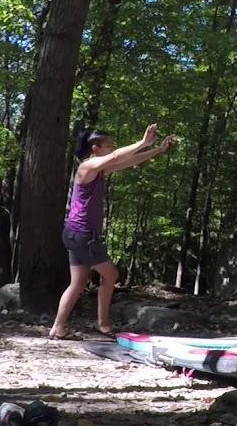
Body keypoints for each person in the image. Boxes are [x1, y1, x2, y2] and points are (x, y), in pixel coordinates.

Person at [48, 124, 174, 340]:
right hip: (83, 235)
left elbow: (129, 160)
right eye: (108, 145)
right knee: (111, 274)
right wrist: (143, 142)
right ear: (96, 149)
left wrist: (158, 150)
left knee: (77, 283)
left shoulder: (97, 170)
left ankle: (58, 328)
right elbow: (116, 157)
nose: (112, 148)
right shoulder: (87, 167)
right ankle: (103, 323)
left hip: (75, 233)